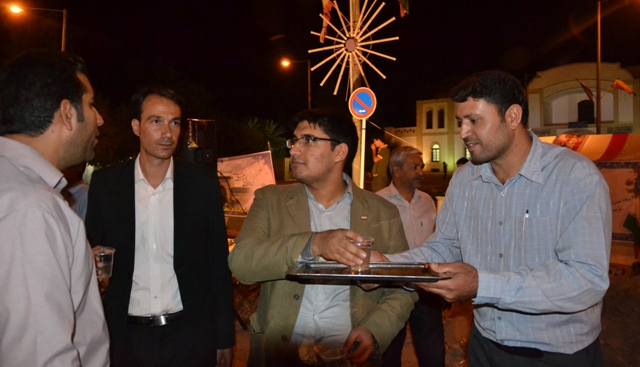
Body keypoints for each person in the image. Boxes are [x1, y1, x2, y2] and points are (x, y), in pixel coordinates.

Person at [374, 70, 612, 366]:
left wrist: (483, 285)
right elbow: (444, 247)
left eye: (474, 120)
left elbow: (585, 279)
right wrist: (383, 266)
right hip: (485, 345)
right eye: (460, 122)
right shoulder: (465, 180)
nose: (463, 132)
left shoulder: (574, 177)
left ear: (512, 116)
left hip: (557, 354)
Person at [228, 108, 417, 366]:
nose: (294, 150)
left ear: (339, 152)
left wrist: (375, 329)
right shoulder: (271, 201)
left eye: (308, 140)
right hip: (280, 352)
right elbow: (241, 263)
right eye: (294, 141)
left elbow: (403, 287)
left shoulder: (383, 212)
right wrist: (314, 243)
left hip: (346, 354)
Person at [85, 87, 235, 367]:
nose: (167, 133)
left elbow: (218, 264)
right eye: (156, 121)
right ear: (136, 127)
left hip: (190, 335)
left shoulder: (201, 184)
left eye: (174, 122)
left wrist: (224, 336)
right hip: (125, 336)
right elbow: (90, 251)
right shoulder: (107, 185)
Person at [0, 50, 109, 366]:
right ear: (67, 113)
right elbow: (39, 353)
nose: (99, 119)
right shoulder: (32, 209)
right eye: (90, 104)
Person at [376, 146, 444, 367]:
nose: (420, 172)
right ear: (396, 170)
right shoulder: (377, 202)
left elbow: (436, 242)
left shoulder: (427, 201)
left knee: (433, 354)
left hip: (425, 288)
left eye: (421, 167)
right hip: (391, 289)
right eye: (414, 167)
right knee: (390, 355)